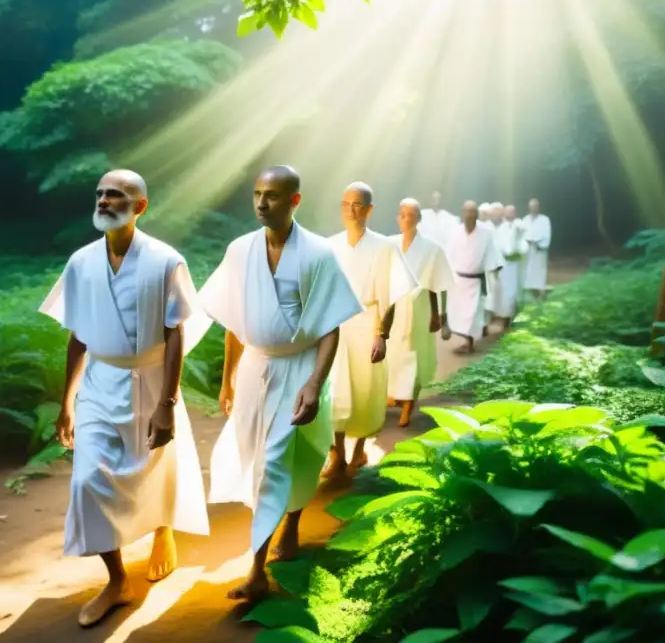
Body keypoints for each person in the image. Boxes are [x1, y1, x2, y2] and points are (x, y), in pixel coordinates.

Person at [39, 169, 210, 629]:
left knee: (155, 467)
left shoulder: (165, 261)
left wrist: (167, 403)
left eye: (116, 194)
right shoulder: (80, 263)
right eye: (100, 194)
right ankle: (117, 581)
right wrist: (67, 402)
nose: (104, 200)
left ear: (140, 206)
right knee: (87, 481)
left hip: (152, 381)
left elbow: (176, 333)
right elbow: (77, 338)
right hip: (99, 384)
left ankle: (163, 531)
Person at [197, 165, 362, 603]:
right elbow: (233, 319)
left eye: (272, 195)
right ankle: (288, 523)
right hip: (255, 368)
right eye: (256, 193)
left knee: (280, 460)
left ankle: (256, 568)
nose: (261, 203)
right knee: (260, 459)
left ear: (295, 201)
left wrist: (313, 382)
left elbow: (331, 327)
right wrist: (228, 377)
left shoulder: (318, 254)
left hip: (299, 370)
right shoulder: (239, 251)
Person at [326, 182, 418, 477]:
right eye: (346, 204)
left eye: (357, 204)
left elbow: (390, 295)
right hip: (336, 325)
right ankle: (337, 454)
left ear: (369, 209)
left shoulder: (385, 246)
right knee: (335, 390)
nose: (351, 210)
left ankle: (358, 450)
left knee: (366, 391)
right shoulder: (330, 245)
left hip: (368, 323)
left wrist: (382, 334)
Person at [387, 199, 452, 427]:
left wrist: (438, 315)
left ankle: (408, 405)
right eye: (402, 214)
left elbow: (436, 283)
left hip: (420, 307)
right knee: (394, 354)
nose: (406, 219)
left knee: (414, 355)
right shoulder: (389, 245)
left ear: (419, 219)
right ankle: (396, 395)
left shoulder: (432, 248)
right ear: (398, 217)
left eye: (411, 214)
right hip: (394, 308)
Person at [443, 200, 503, 354]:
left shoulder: (486, 232)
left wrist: (493, 274)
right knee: (458, 313)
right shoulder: (455, 232)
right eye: (467, 212)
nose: (470, 215)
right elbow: (449, 254)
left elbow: (492, 255)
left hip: (476, 281)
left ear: (477, 214)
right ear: (462, 213)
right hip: (458, 280)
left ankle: (469, 343)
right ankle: (464, 337)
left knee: (472, 314)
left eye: (473, 212)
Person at [493, 205, 528, 328]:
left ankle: (516, 317)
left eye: (512, 212)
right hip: (504, 264)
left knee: (516, 291)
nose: (510, 214)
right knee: (505, 292)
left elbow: (523, 243)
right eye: (508, 212)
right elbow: (498, 246)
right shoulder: (501, 228)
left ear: (515, 213)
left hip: (517, 264)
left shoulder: (520, 225)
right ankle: (506, 319)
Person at [522, 198, 552, 301]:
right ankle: (531, 292)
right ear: (529, 207)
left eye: (536, 206)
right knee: (528, 270)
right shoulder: (525, 219)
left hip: (539, 249)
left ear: (538, 207)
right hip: (528, 248)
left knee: (539, 270)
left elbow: (547, 234)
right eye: (532, 206)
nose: (534, 208)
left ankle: (540, 292)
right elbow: (522, 234)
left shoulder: (545, 219)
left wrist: (540, 244)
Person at [484, 202, 506, 327]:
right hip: (489, 264)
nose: (495, 214)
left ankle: (503, 317)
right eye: (493, 212)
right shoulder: (485, 226)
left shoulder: (508, 225)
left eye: (497, 211)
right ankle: (487, 318)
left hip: (506, 263)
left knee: (504, 290)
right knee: (489, 291)